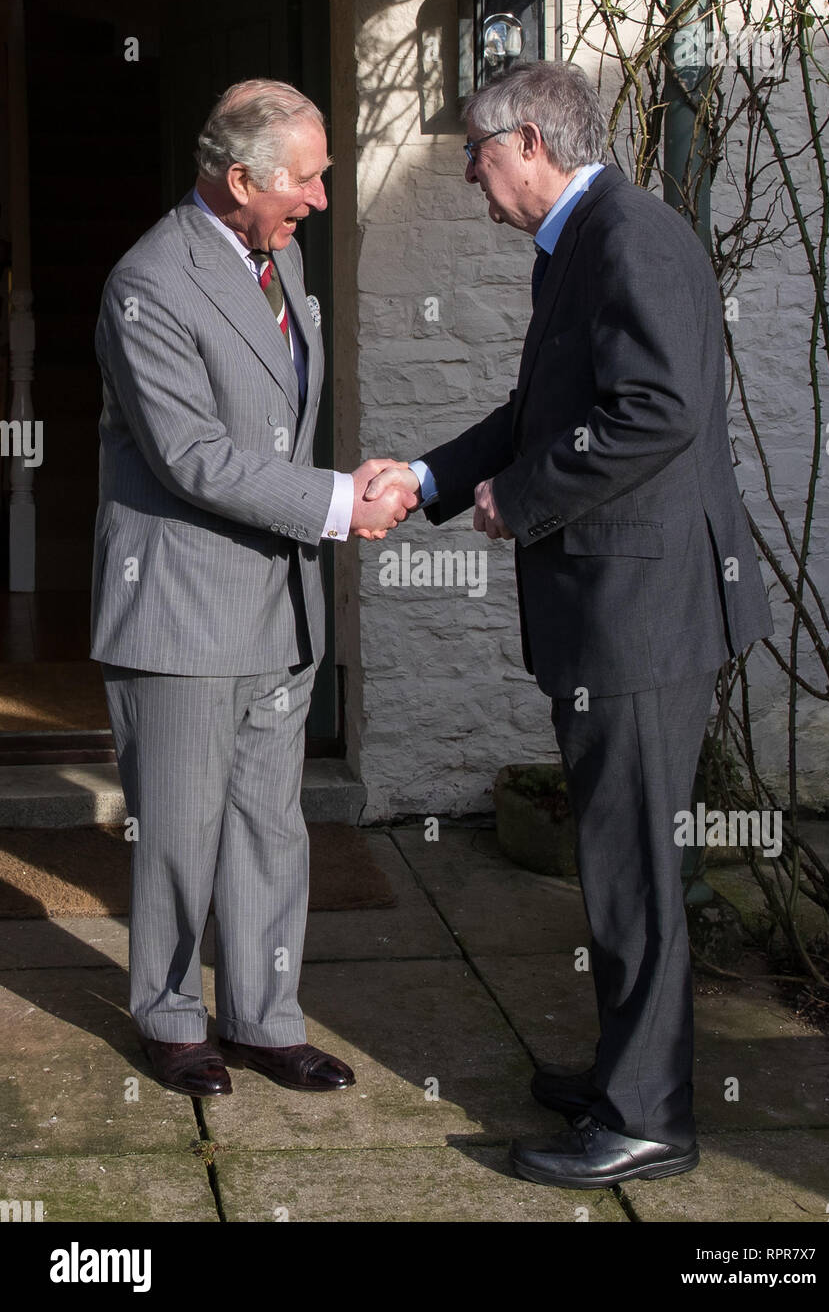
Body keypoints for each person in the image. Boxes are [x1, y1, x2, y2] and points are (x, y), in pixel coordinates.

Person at [367, 61, 773, 1188]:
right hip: (619, 604)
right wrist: (429, 475)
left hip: (637, 612)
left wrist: (524, 496)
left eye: (476, 154)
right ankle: (622, 1070)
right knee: (616, 859)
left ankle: (644, 1115)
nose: (467, 175)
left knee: (632, 867)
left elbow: (655, 409)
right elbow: (541, 411)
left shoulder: (623, 236)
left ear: (532, 140)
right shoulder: (585, 239)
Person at [91, 78, 416, 1099]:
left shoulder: (281, 253)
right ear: (238, 178)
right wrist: (336, 503)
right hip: (183, 606)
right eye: (307, 179)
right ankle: (172, 1017)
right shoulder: (147, 281)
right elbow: (190, 455)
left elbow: (275, 423)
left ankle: (267, 1018)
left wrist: (335, 500)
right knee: (180, 832)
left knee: (272, 828)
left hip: (280, 602)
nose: (320, 198)